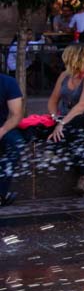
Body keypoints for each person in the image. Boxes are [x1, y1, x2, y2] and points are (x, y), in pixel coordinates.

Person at [47, 45, 84, 196]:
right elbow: (53, 101)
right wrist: (55, 119)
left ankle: (82, 176)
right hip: (65, 119)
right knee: (45, 130)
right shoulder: (64, 76)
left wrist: (61, 124)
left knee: (75, 130)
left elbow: (82, 105)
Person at [0, 69, 23, 207]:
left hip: (2, 128)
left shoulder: (8, 82)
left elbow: (16, 114)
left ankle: (1, 193)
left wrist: (2, 130)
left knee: (16, 144)